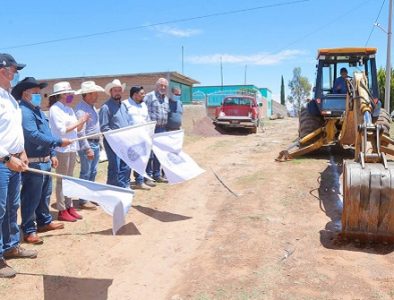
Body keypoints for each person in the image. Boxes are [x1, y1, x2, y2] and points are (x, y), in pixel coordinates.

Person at [12, 77, 71, 245]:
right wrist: (58, 142)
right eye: (36, 93)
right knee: (31, 196)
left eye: (40, 93)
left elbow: (46, 131)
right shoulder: (24, 111)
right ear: (25, 93)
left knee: (44, 194)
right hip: (33, 161)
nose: (40, 96)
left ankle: (44, 221)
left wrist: (52, 153)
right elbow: (32, 135)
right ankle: (29, 229)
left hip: (44, 160)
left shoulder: (37, 110)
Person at [0, 54, 37, 278]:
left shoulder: (10, 99)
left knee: (12, 207)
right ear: (3, 70)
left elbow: (14, 131)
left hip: (14, 160)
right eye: (15, 70)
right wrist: (6, 158)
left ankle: (11, 246)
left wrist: (22, 151)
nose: (16, 74)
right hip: (3, 162)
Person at [49, 82, 89, 222]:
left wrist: (82, 122)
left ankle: (69, 206)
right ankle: (61, 209)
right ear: (60, 95)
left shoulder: (69, 109)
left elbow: (76, 129)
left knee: (70, 179)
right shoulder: (55, 109)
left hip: (72, 147)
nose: (71, 96)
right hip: (61, 149)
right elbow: (62, 130)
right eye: (68, 93)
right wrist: (80, 121)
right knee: (61, 180)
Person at [74, 81, 105, 210]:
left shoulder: (91, 107)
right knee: (86, 172)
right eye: (93, 93)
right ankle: (83, 199)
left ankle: (89, 196)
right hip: (88, 144)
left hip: (95, 142)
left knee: (93, 171)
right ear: (86, 95)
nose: (96, 95)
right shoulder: (81, 110)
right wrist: (87, 148)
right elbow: (81, 132)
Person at [99, 79, 132, 188]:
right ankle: (112, 188)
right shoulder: (105, 107)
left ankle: (123, 187)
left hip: (125, 140)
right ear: (111, 92)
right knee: (115, 166)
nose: (117, 92)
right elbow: (104, 127)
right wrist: (116, 136)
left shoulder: (124, 106)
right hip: (112, 143)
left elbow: (128, 121)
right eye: (115, 90)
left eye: (119, 90)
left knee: (125, 165)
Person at [123, 85, 152, 190]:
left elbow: (147, 119)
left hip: (142, 137)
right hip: (130, 138)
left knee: (141, 160)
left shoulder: (143, 105)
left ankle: (139, 181)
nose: (144, 95)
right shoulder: (125, 104)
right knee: (129, 160)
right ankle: (126, 183)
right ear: (135, 95)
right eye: (142, 94)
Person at [144, 78, 169, 184]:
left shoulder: (166, 98)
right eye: (161, 85)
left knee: (159, 153)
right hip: (151, 129)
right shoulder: (149, 96)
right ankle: (148, 176)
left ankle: (157, 175)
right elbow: (142, 110)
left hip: (162, 128)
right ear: (156, 85)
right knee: (150, 153)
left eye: (165, 86)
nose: (163, 88)